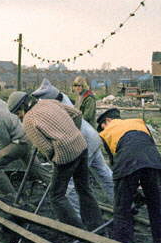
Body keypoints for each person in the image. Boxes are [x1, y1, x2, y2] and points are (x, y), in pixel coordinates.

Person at [8, 91, 102, 231]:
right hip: (81, 146)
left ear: (23, 106)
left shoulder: (28, 120)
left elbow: (47, 148)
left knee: (56, 196)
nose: (19, 116)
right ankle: (96, 226)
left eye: (18, 113)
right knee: (84, 189)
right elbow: (77, 114)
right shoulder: (49, 102)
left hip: (65, 155)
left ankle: (76, 232)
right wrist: (71, 133)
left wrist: (53, 157)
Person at [97, 108, 161, 243]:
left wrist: (129, 193)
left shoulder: (107, 131)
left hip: (127, 163)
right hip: (154, 163)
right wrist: (138, 192)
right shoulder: (138, 123)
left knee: (121, 209)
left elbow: (115, 163)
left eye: (102, 125)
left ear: (108, 121)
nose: (102, 129)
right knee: (156, 208)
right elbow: (146, 147)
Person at [31, 79, 114, 208]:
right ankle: (122, 203)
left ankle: (77, 215)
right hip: (92, 138)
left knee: (71, 183)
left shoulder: (59, 107)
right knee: (104, 174)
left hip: (82, 144)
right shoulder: (62, 98)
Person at [0, 95, 47, 196]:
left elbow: (5, 144)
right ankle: (59, 189)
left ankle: (10, 195)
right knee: (35, 167)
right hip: (26, 133)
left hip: (19, 142)